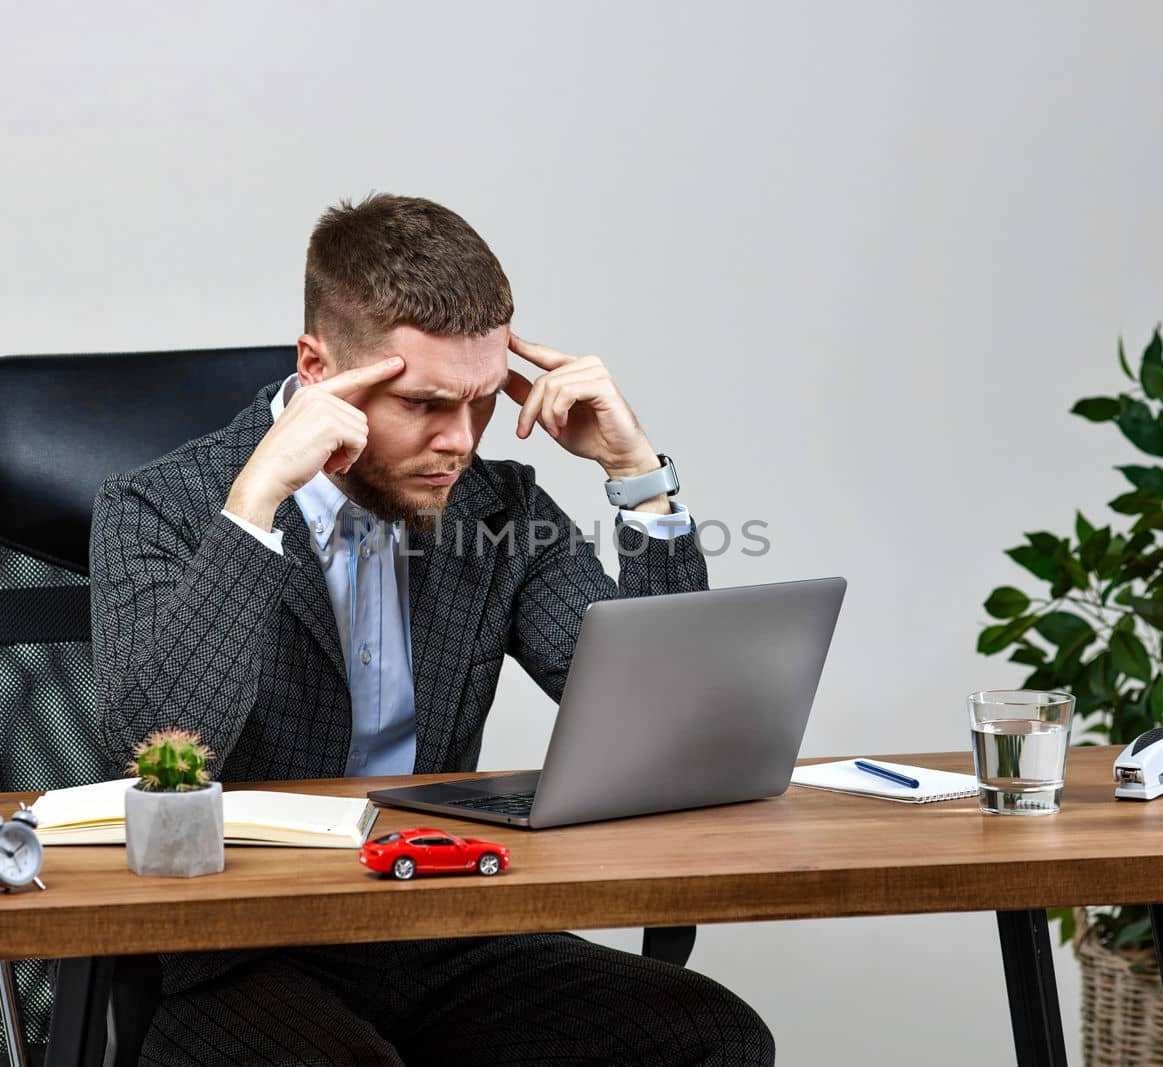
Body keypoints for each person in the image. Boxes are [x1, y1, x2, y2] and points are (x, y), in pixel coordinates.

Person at [89, 192, 775, 1066]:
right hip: (239, 952)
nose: (460, 441)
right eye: (423, 404)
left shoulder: (497, 512)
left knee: (711, 1037)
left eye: (484, 401)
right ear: (316, 368)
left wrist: (636, 476)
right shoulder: (158, 509)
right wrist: (254, 509)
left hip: (440, 922)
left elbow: (677, 729)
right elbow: (154, 747)